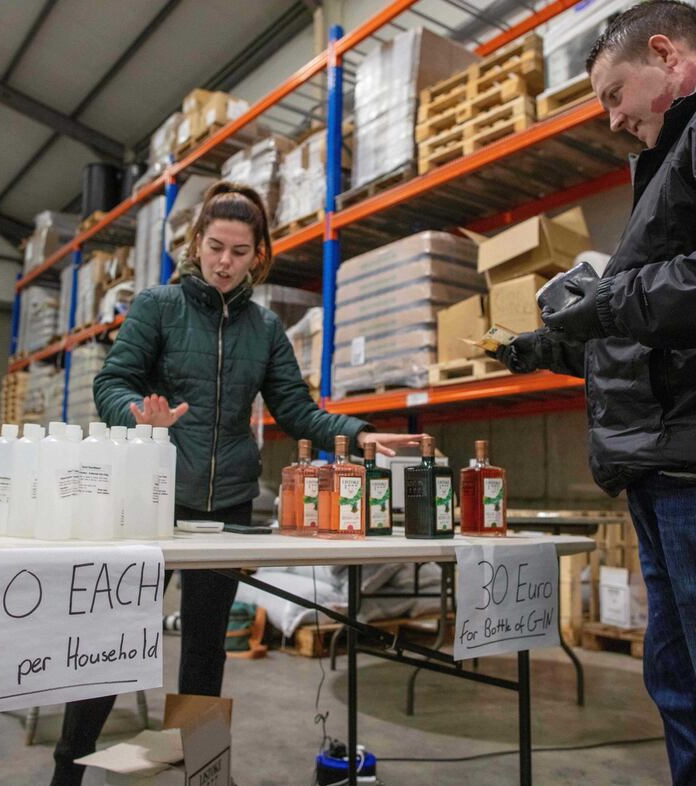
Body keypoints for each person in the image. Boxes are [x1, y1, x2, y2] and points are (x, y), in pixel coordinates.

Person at [50, 181, 421, 785]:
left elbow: (297, 411)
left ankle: (201, 772)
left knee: (205, 649)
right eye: (216, 246)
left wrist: (360, 434)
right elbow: (111, 382)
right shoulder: (156, 307)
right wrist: (139, 417)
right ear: (196, 244)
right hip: (153, 498)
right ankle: (67, 773)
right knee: (115, 641)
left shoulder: (264, 328)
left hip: (228, 509)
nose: (225, 262)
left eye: (240, 251)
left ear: (258, 257)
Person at [491, 3, 696, 782]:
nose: (610, 120)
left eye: (614, 95)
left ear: (666, 55)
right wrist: (552, 347)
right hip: (659, 468)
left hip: (688, 471)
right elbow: (653, 339)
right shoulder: (663, 166)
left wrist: (608, 302)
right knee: (675, 682)